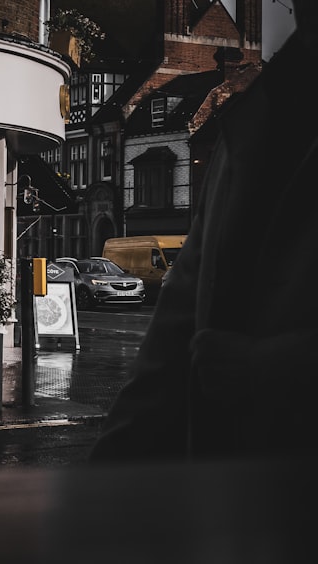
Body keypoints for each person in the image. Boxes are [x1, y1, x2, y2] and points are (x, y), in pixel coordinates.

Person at [89, 0, 318, 462]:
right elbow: (169, 349)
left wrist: (270, 368)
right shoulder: (252, 120)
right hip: (231, 508)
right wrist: (100, 491)